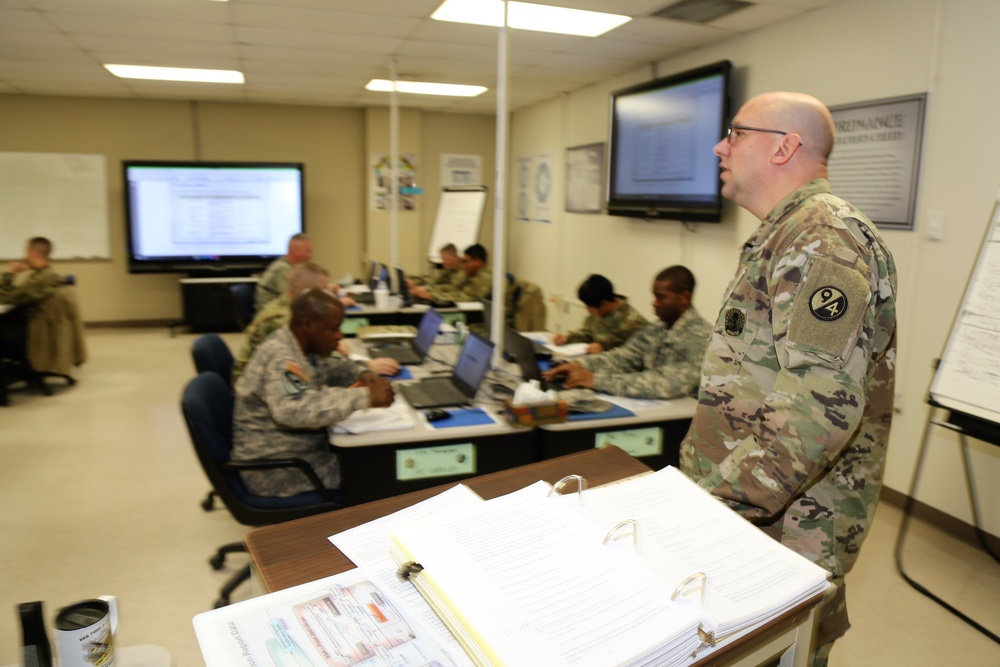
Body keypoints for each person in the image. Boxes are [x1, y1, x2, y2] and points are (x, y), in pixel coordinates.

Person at [679, 92, 898, 667]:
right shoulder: (789, 231)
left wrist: (709, 507)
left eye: (735, 134)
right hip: (753, 512)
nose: (718, 146)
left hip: (786, 524)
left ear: (785, 146)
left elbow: (816, 408)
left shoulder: (823, 237)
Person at [232, 289, 395, 497]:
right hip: (278, 470)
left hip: (297, 452)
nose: (339, 336)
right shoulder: (282, 358)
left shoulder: (297, 344)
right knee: (379, 470)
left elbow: (325, 368)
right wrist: (365, 397)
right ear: (308, 324)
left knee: (374, 455)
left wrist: (362, 372)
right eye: (333, 329)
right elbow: (293, 410)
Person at [542, 266, 710, 399]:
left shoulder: (701, 337)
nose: (654, 303)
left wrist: (595, 380)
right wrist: (579, 365)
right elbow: (623, 357)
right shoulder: (656, 329)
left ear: (684, 297)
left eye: (661, 297)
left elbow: (665, 384)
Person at [232, 262, 399, 383]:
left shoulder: (293, 308)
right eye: (324, 289)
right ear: (305, 292)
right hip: (258, 397)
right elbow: (313, 369)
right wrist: (367, 366)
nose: (329, 293)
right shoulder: (283, 321)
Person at [552, 274, 647, 353]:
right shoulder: (599, 312)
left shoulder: (634, 324)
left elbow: (635, 358)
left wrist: (603, 349)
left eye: (589, 307)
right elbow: (588, 332)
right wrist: (568, 338)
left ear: (604, 304)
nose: (587, 310)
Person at [409, 243, 492, 303]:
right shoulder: (473, 274)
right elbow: (453, 288)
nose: (463, 265)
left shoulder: (486, 277)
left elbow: (465, 297)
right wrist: (428, 291)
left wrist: (431, 295)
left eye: (466, 261)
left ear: (478, 262)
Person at [254, 233, 313, 310]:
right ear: (296, 251)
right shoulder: (282, 269)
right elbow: (291, 297)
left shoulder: (289, 267)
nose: (310, 256)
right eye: (308, 251)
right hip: (271, 314)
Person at [0, 237, 63, 307]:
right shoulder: (45, 275)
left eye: (27, 252)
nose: (24, 257)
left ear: (34, 254)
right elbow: (15, 295)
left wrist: (9, 274)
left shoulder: (38, 281)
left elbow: (4, 300)